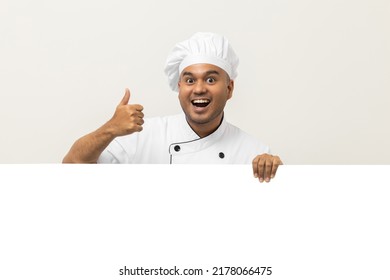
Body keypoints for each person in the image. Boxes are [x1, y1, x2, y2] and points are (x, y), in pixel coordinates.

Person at [63, 32, 282, 183]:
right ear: (179, 87)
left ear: (230, 88)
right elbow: (71, 166)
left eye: (211, 80)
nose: (198, 89)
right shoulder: (142, 135)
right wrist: (110, 128)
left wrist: (273, 172)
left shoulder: (253, 152)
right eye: (189, 80)